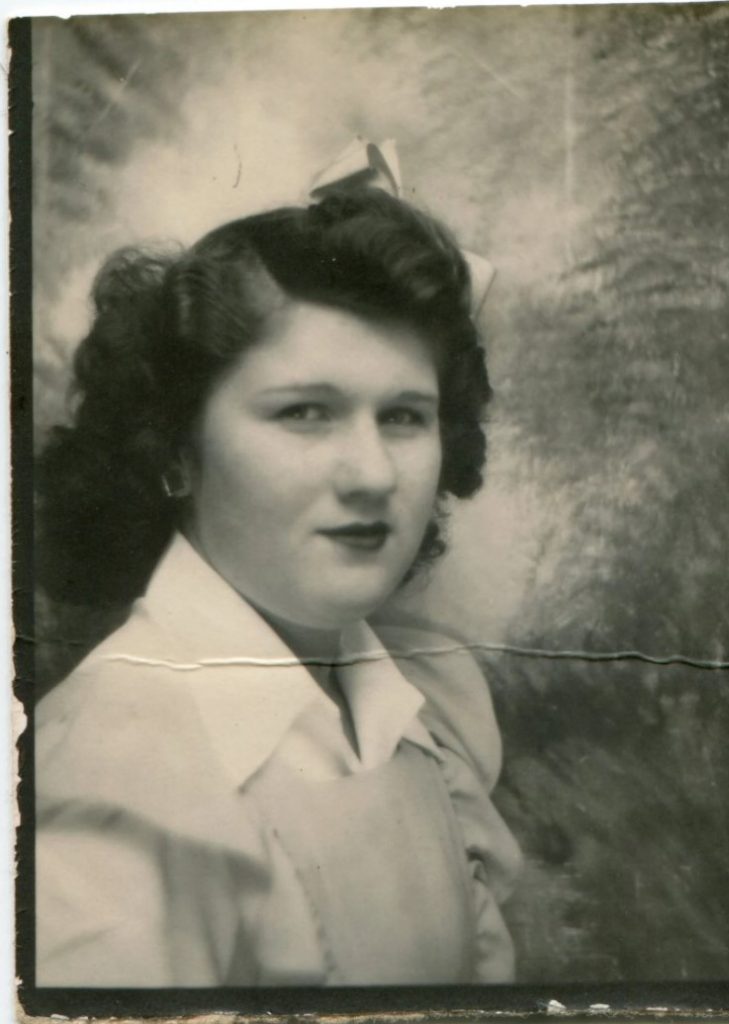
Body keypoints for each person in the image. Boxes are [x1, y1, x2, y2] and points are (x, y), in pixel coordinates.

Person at [34, 184, 522, 987]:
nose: (371, 475)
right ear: (175, 452)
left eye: (404, 416)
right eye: (304, 413)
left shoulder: (423, 712)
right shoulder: (107, 775)